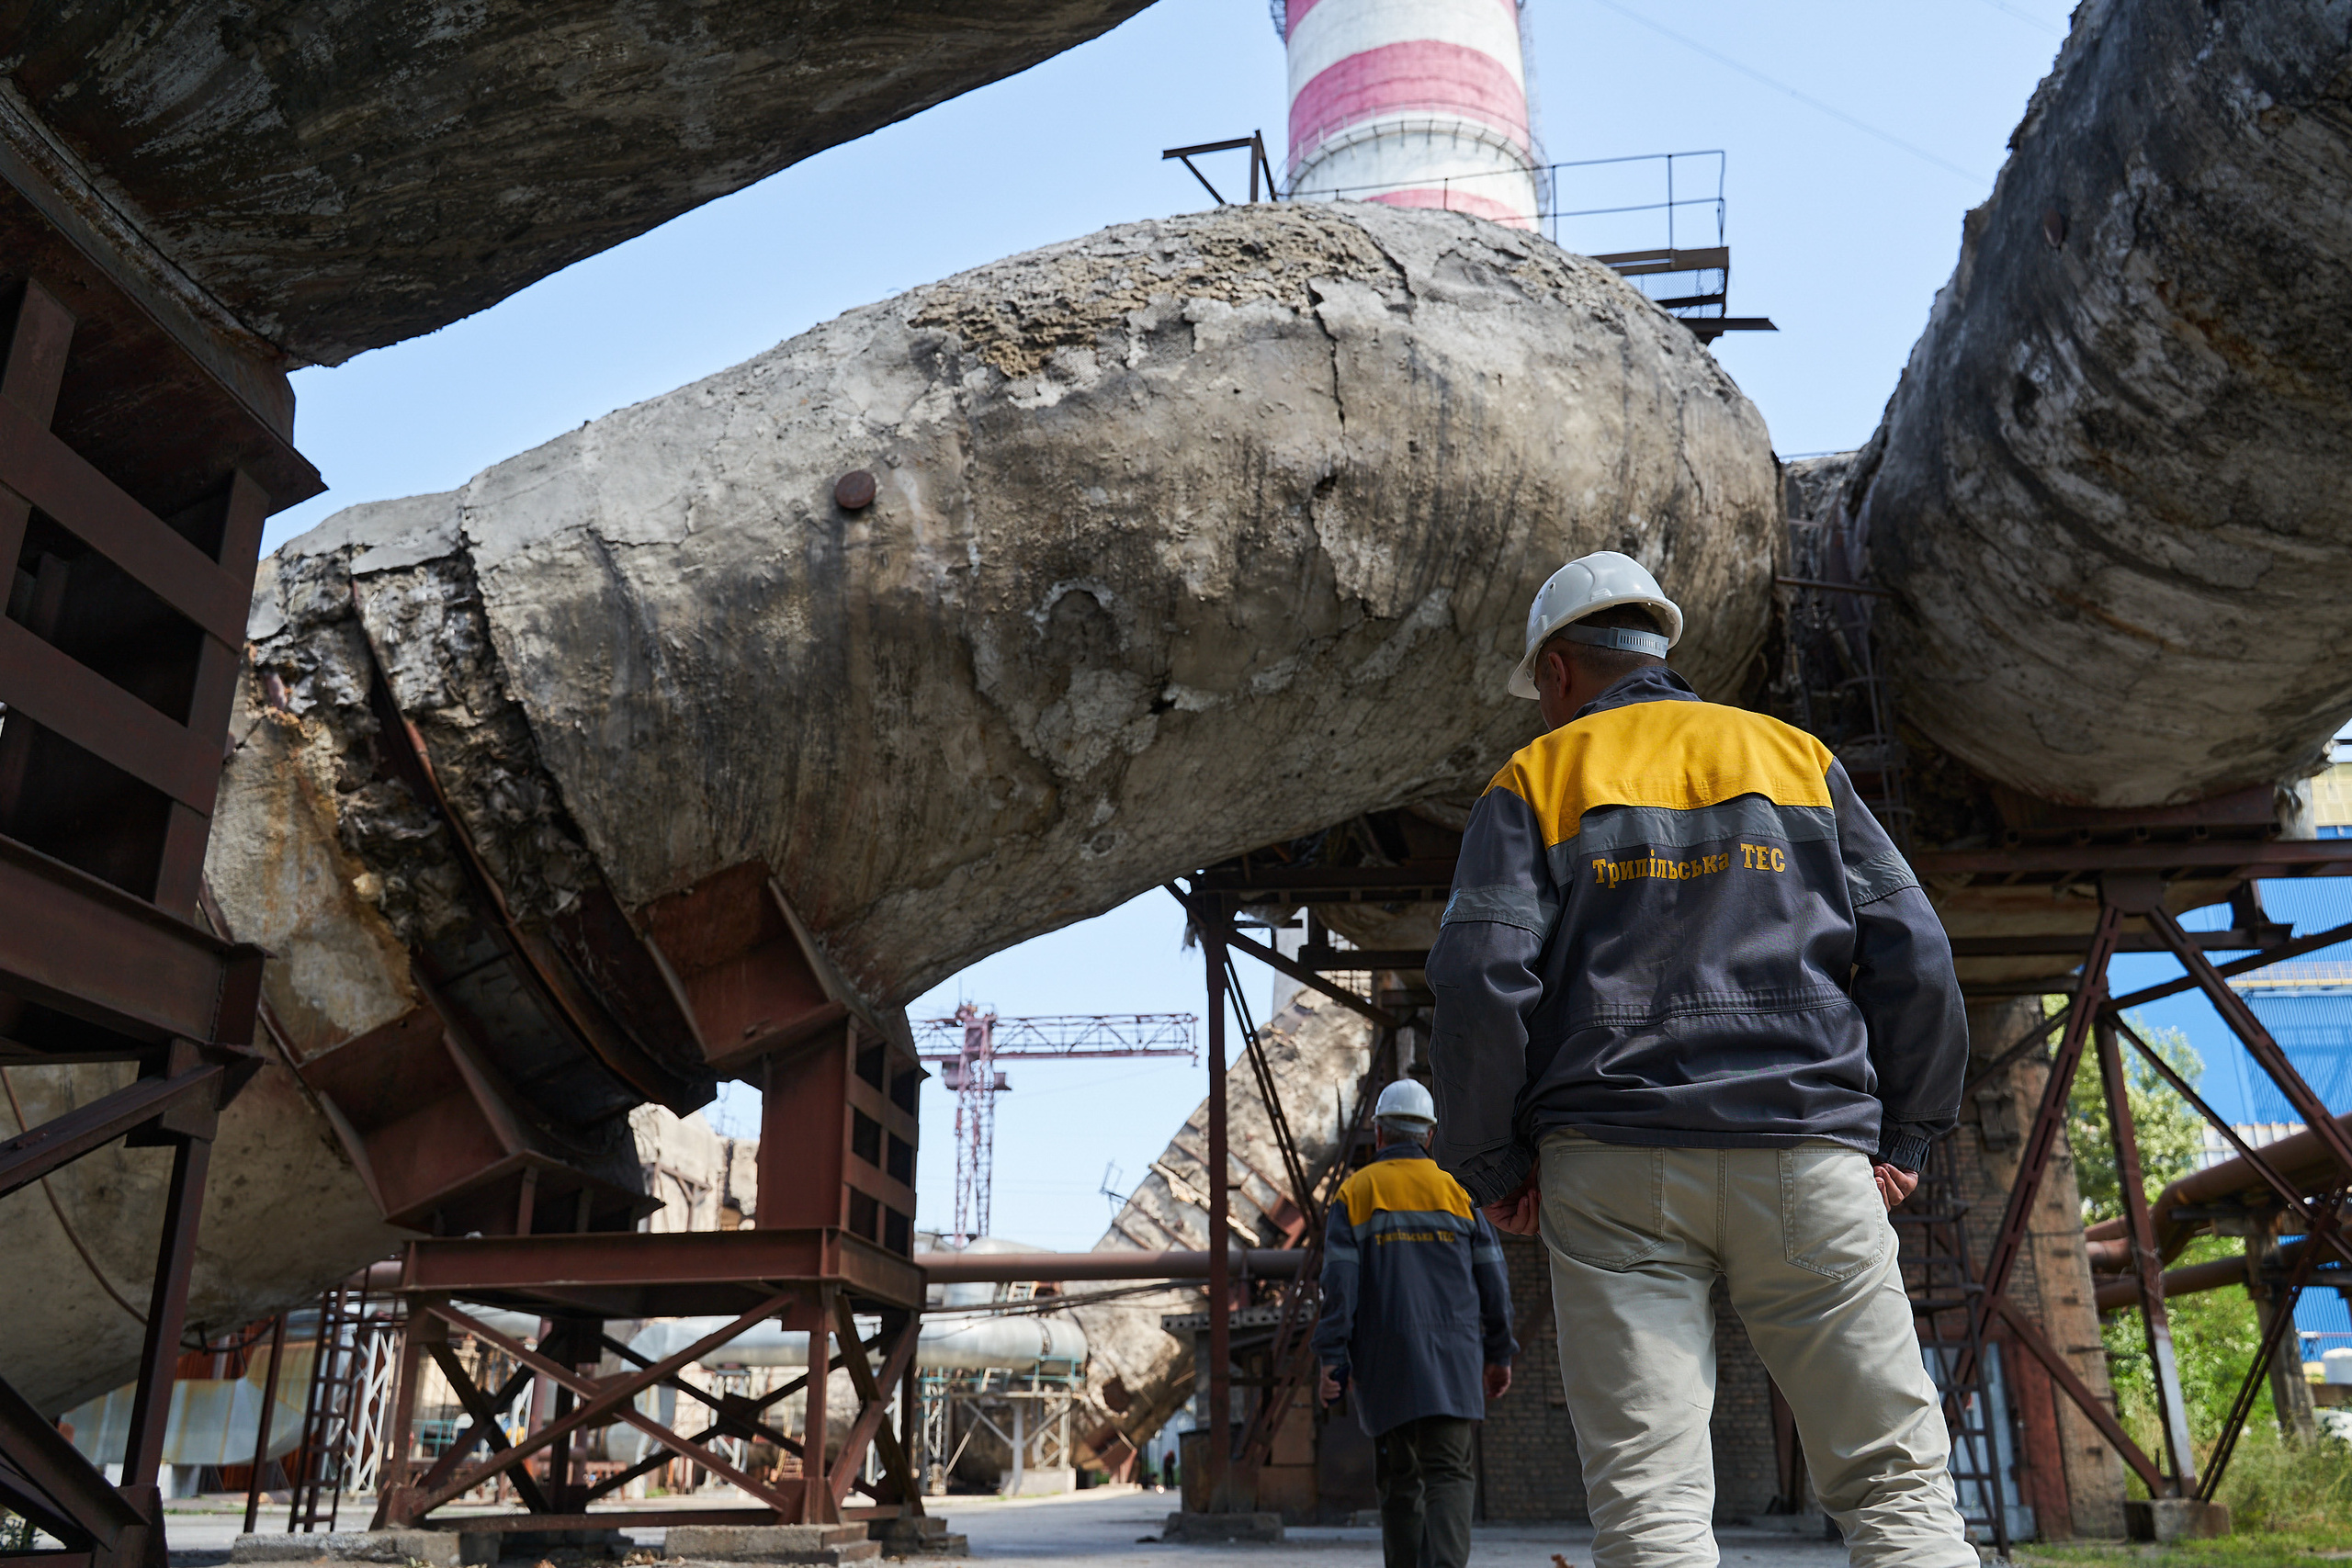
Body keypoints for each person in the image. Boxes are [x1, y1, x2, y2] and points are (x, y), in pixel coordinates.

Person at [1426, 551, 1974, 1568]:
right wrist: (1904, 1136)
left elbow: (1475, 978)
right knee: (1898, 1484)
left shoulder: (1538, 777)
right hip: (1806, 1149)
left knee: (1649, 1501)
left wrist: (1493, 1163)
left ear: (1555, 672)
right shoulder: (1794, 757)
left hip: (1612, 1162)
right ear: (1658, 647)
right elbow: (1917, 954)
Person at [1314, 1079, 1516, 1568]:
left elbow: (1339, 1286)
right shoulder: (1458, 1191)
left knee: (1399, 1480)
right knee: (1448, 1474)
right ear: (1429, 1137)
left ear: (1379, 1134)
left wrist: (1332, 1359)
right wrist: (1498, 1352)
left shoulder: (1356, 1192)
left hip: (1386, 1362)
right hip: (1454, 1360)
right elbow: (1493, 1278)